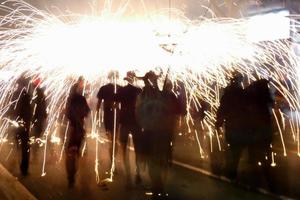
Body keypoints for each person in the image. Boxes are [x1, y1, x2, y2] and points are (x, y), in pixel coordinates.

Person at [136, 71, 179, 199]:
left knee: (160, 160)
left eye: (152, 80)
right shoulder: (145, 96)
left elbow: (175, 113)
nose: (151, 83)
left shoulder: (166, 96)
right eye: (150, 81)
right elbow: (139, 114)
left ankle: (159, 186)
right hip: (153, 132)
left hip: (161, 133)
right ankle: (157, 186)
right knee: (155, 161)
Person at [215, 72, 248, 180]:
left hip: (233, 124)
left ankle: (231, 168)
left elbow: (222, 109)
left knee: (232, 146)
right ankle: (232, 168)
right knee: (236, 148)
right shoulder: (242, 93)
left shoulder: (229, 93)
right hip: (238, 125)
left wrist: (218, 123)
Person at [245, 77, 275, 190]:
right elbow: (271, 104)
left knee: (254, 153)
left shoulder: (253, 95)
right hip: (264, 129)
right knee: (265, 151)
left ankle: (254, 179)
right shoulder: (264, 95)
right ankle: (268, 176)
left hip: (256, 129)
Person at [115, 71, 142, 187]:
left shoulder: (121, 90)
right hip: (136, 122)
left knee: (124, 149)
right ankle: (138, 173)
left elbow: (115, 105)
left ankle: (128, 177)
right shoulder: (138, 91)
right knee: (138, 150)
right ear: (133, 79)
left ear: (126, 79)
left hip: (125, 122)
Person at [65, 76, 90, 187]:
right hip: (79, 130)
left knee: (70, 152)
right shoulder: (82, 99)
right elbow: (87, 112)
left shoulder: (70, 99)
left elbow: (67, 114)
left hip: (72, 129)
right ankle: (74, 175)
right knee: (77, 153)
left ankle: (71, 177)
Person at [96, 71, 121, 174]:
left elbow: (98, 104)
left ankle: (112, 161)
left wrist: (97, 116)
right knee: (114, 140)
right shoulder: (119, 88)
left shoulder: (104, 88)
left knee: (112, 140)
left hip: (109, 117)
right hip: (115, 116)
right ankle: (113, 159)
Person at [11, 75, 33, 176]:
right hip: (23, 124)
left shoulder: (15, 94)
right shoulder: (26, 95)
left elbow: (11, 109)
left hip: (17, 123)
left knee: (18, 144)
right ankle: (23, 168)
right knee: (24, 146)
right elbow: (29, 111)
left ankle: (16, 164)